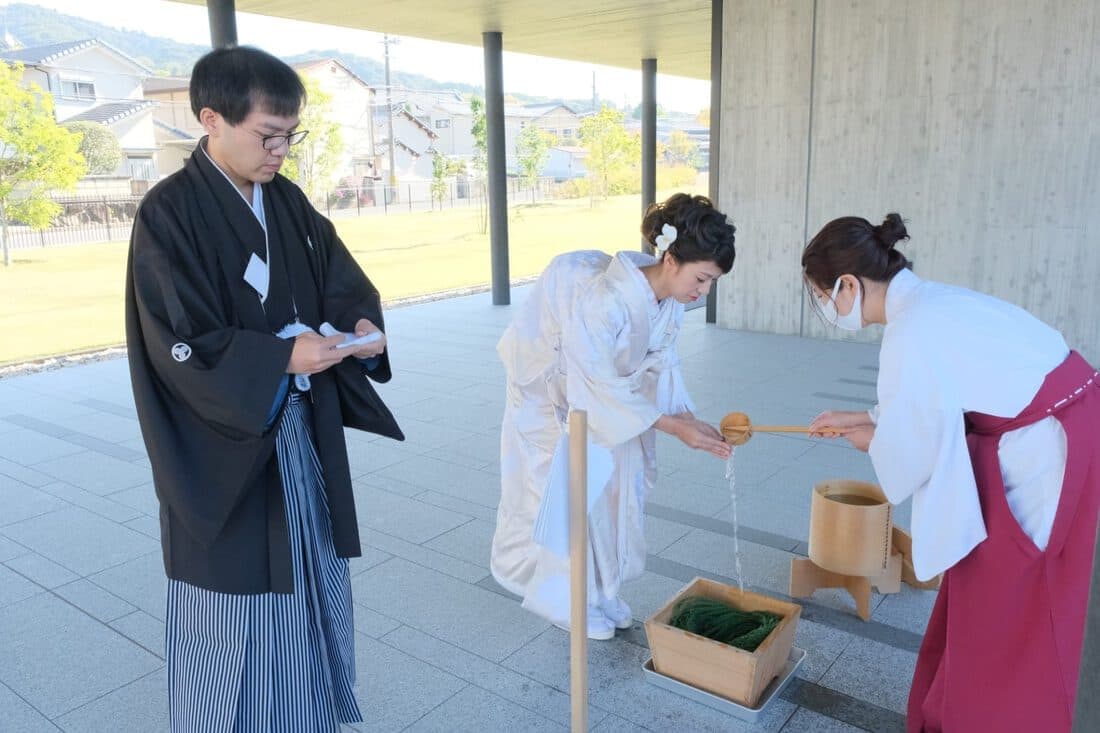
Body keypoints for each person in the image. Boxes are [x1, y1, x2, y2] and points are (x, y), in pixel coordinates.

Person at [125, 46, 403, 732]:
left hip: (297, 442)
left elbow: (338, 275)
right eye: (267, 136)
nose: (280, 152)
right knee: (233, 602)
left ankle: (304, 716)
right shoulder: (169, 214)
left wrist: (359, 321)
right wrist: (280, 358)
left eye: (290, 136)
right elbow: (179, 340)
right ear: (210, 118)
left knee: (307, 583)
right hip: (224, 451)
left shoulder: (285, 202)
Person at [802, 213, 1100, 733]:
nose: (826, 308)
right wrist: (866, 419)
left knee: (1014, 594)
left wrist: (872, 438)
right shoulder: (927, 303)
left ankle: (995, 714)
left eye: (822, 294)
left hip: (1041, 445)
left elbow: (914, 448)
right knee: (998, 588)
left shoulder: (910, 332)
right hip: (1067, 414)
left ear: (848, 284)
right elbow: (937, 396)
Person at [490, 193, 736, 640]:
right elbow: (596, 382)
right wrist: (671, 425)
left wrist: (687, 416)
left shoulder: (669, 303)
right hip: (554, 398)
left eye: (711, 282)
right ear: (671, 258)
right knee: (565, 496)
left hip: (605, 405)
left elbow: (663, 364)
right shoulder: (602, 299)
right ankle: (564, 601)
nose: (702, 291)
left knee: (613, 491)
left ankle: (599, 590)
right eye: (701, 278)